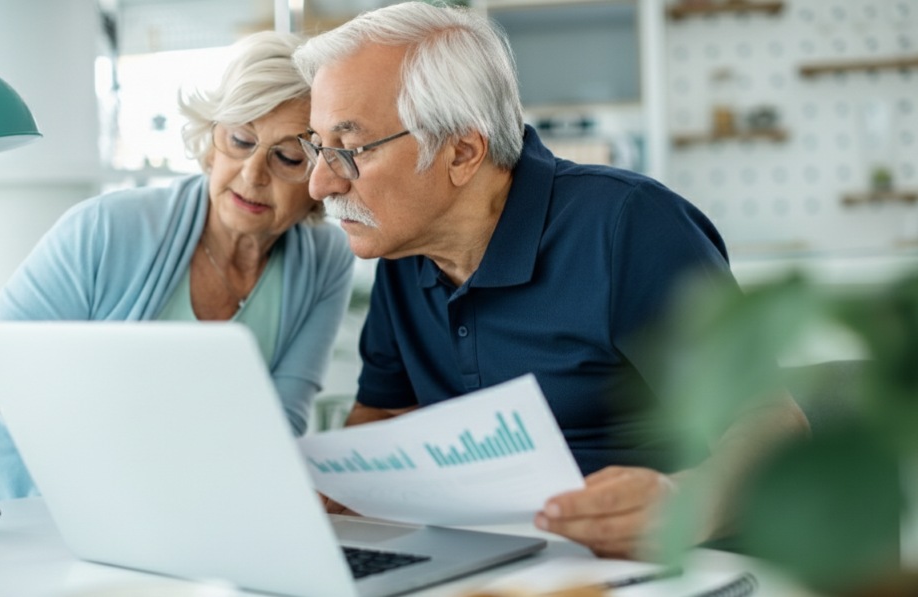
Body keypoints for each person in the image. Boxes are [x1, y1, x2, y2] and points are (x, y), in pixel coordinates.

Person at [292, 2, 810, 558]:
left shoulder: (628, 226)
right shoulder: (402, 249)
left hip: (665, 565)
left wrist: (685, 503)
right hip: (493, 560)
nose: (320, 183)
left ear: (462, 152)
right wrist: (342, 484)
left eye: (349, 150)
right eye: (318, 146)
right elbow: (387, 414)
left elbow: (771, 424)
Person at [0, 30, 354, 502]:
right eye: (240, 140)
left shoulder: (325, 261)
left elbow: (280, 423)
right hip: (26, 508)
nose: (252, 175)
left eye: (288, 156)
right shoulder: (108, 228)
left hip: (179, 513)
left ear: (322, 170)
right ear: (211, 142)